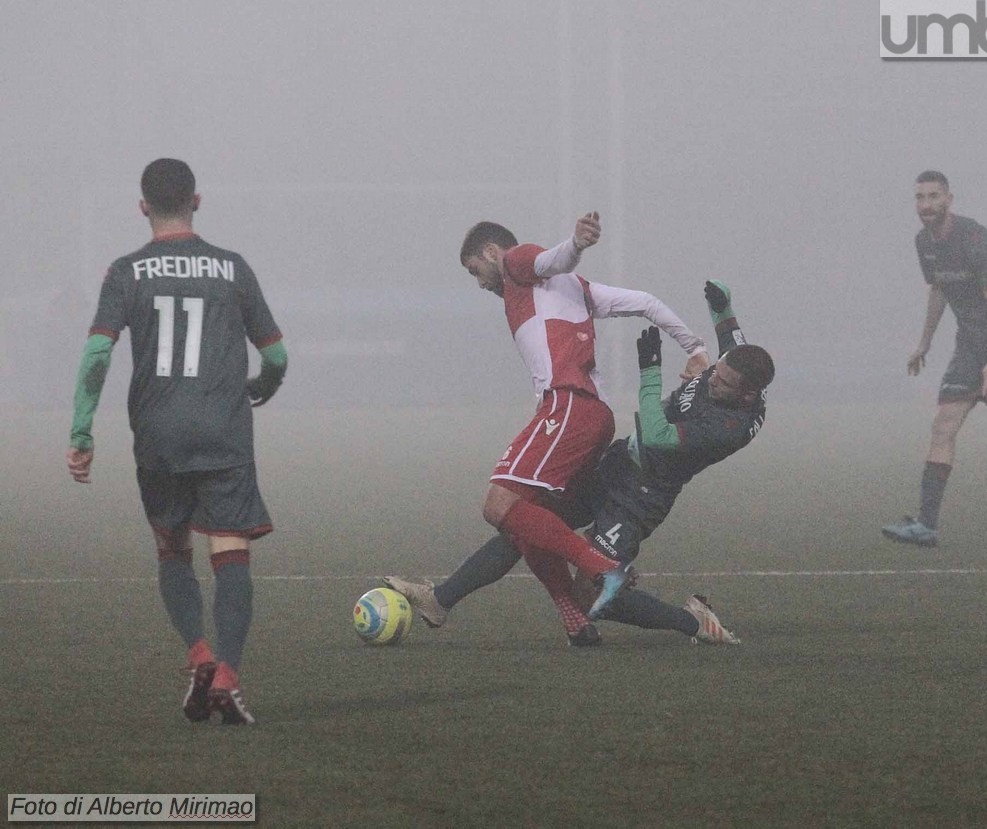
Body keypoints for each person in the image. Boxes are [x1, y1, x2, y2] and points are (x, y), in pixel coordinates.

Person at [384, 279, 774, 646]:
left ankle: (695, 623)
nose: (711, 380)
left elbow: (657, 435)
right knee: (525, 523)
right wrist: (719, 301)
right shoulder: (734, 365)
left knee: (594, 599)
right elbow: (728, 327)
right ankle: (440, 600)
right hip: (615, 465)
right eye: (716, 372)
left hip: (639, 500)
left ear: (746, 395)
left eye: (721, 383)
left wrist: (651, 370)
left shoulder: (730, 428)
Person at [67, 159, 287, 725]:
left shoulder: (125, 271)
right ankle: (230, 674)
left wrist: (82, 430)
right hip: (223, 428)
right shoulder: (232, 268)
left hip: (158, 432)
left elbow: (96, 354)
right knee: (229, 549)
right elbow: (276, 355)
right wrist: (263, 385)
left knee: (172, 551)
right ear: (197, 200)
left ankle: (199, 656)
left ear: (143, 207)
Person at [446, 215, 711, 644]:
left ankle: (605, 569)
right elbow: (645, 300)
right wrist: (695, 348)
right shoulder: (578, 291)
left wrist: (575, 243)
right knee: (529, 518)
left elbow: (551, 258)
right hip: (590, 414)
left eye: (475, 270)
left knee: (499, 504)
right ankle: (574, 617)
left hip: (569, 404)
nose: (479, 284)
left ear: (492, 253)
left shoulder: (515, 262)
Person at [882, 170, 987, 548]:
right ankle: (926, 525)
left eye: (933, 196)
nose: (926, 205)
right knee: (943, 424)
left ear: (950, 199)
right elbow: (938, 289)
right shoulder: (924, 243)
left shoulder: (975, 239)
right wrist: (924, 342)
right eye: (920, 198)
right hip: (970, 345)